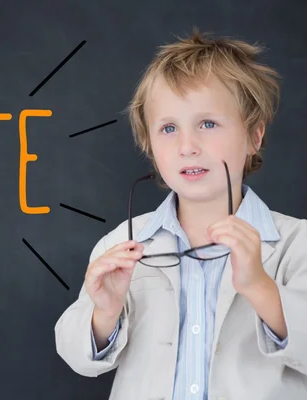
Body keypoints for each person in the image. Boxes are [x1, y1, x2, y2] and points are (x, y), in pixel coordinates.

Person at [54, 28, 307, 400]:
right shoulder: (122, 243)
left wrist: (259, 285)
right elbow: (77, 356)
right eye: (169, 128)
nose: (187, 146)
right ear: (149, 145)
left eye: (208, 124)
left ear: (254, 136)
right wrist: (104, 313)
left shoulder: (296, 243)